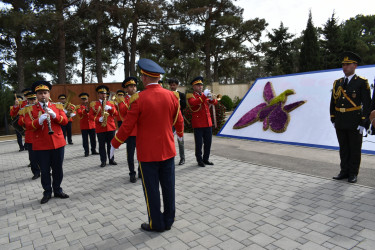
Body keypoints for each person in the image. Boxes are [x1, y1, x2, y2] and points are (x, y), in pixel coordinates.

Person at [110, 58, 184, 232]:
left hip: (148, 154)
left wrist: (115, 143)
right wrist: (179, 134)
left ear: (144, 78)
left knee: (151, 190)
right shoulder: (172, 95)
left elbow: (127, 125)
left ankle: (156, 223)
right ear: (158, 77)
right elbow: (178, 119)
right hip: (167, 150)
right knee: (169, 187)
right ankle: (169, 220)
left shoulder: (138, 98)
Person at [24, 80, 69, 204]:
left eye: (45, 93)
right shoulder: (30, 109)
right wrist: (38, 121)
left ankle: (58, 190)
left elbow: (65, 121)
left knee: (58, 169)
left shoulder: (58, 106)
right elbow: (28, 125)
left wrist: (55, 116)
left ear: (49, 94)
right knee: (44, 170)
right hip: (41, 144)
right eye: (40, 93)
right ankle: (47, 192)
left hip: (57, 143)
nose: (43, 95)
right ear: (36, 95)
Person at [330, 51, 371, 183]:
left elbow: (367, 104)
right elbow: (333, 101)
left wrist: (364, 122)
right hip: (340, 120)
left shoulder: (361, 82)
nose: (344, 67)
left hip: (355, 121)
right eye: (343, 64)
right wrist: (333, 118)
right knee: (343, 148)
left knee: (354, 148)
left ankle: (353, 173)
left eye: (348, 64)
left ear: (355, 66)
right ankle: (344, 171)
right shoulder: (338, 83)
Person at [187, 76, 218, 167]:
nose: (200, 87)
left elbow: (215, 103)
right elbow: (194, 103)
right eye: (198, 85)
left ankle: (206, 159)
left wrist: (212, 99)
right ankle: (199, 160)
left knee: (208, 143)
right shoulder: (191, 96)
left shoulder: (204, 95)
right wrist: (204, 96)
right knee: (199, 144)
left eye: (201, 85)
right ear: (193, 87)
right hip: (198, 124)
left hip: (208, 123)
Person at [89, 85, 118, 168]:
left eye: (105, 93)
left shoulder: (110, 103)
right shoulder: (94, 104)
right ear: (98, 94)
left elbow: (116, 113)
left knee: (111, 145)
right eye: (101, 93)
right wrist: (98, 119)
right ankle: (103, 161)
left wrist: (111, 109)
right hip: (100, 128)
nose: (104, 95)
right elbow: (90, 116)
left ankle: (111, 159)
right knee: (102, 145)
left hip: (110, 127)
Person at [117, 77, 139, 183]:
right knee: (130, 154)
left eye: (134, 86)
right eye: (131, 86)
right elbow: (122, 111)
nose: (133, 88)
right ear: (126, 89)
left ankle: (141, 171)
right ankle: (132, 173)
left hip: (141, 130)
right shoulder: (123, 100)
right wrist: (132, 102)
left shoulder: (140, 97)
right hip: (131, 132)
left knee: (142, 153)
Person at [18, 91, 40, 180]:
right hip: (30, 136)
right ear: (28, 100)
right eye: (30, 99)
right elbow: (20, 122)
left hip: (41, 135)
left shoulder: (41, 107)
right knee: (32, 157)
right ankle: (36, 172)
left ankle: (46, 171)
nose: (33, 101)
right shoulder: (24, 109)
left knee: (43, 156)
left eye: (34, 99)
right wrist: (26, 119)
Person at [168, 78, 186, 165]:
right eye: (171, 85)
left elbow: (184, 105)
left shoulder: (181, 95)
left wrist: (177, 100)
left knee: (180, 140)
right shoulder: (167, 94)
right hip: (169, 121)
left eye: (174, 85)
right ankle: (169, 158)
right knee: (169, 140)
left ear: (177, 85)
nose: (172, 86)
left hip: (179, 120)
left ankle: (182, 158)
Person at [76, 93, 98, 157]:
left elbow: (95, 113)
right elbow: (80, 113)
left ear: (87, 99)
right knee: (85, 140)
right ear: (81, 100)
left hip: (92, 125)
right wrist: (85, 111)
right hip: (84, 126)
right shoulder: (79, 107)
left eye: (85, 100)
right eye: (83, 100)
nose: (84, 101)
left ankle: (93, 150)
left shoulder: (91, 106)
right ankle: (86, 152)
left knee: (93, 139)